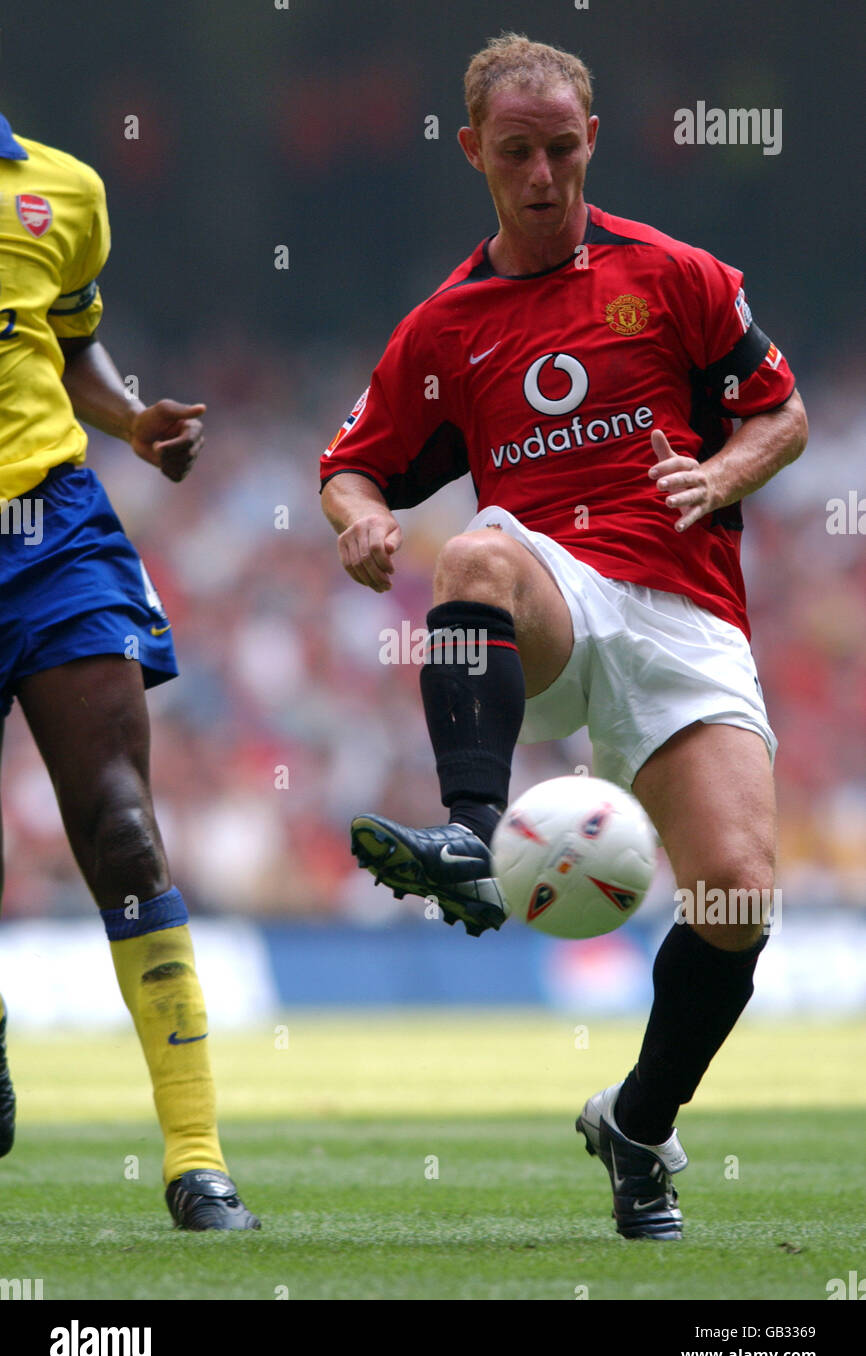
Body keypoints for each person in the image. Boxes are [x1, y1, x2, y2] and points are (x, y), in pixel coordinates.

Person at [319, 33, 808, 1241]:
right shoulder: (445, 327)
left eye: (561, 149)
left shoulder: (677, 274)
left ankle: (636, 1125)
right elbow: (350, 468)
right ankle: (476, 838)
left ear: (589, 142)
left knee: (739, 899)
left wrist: (719, 470)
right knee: (473, 553)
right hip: (552, 594)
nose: (542, 176)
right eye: (517, 153)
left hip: (683, 608)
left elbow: (779, 413)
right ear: (472, 149)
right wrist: (363, 521)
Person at [0, 112, 258, 1230]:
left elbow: (66, 336)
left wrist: (128, 421)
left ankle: (196, 1159)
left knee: (121, 824)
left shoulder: (62, 188)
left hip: (51, 529)